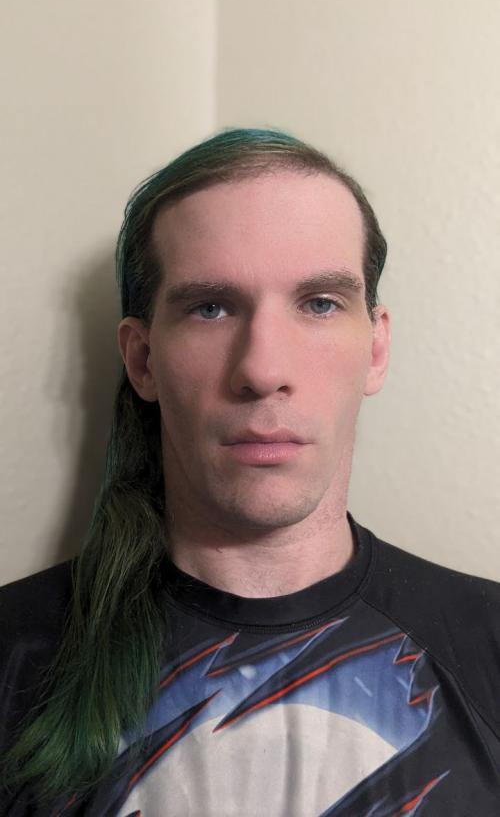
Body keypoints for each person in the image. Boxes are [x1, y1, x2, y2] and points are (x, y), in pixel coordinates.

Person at [1, 128, 499, 816]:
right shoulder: (14, 656)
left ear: (376, 347)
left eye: (319, 304)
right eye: (211, 308)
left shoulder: (487, 647)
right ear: (142, 360)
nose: (263, 370)